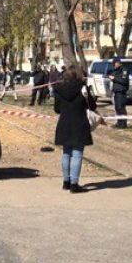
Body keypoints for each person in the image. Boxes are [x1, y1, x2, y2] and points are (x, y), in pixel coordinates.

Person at [54, 65, 97, 193]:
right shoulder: (83, 88)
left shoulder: (59, 89)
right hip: (79, 123)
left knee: (66, 153)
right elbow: (92, 106)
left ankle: (66, 182)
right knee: (77, 154)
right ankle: (74, 184)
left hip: (64, 123)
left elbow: (57, 109)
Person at [108, 57, 129, 129]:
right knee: (117, 108)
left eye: (115, 64)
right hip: (116, 92)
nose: (114, 65)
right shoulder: (116, 71)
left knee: (121, 108)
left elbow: (124, 81)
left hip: (121, 92)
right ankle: (119, 122)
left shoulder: (124, 70)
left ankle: (123, 123)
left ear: (118, 63)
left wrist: (114, 78)